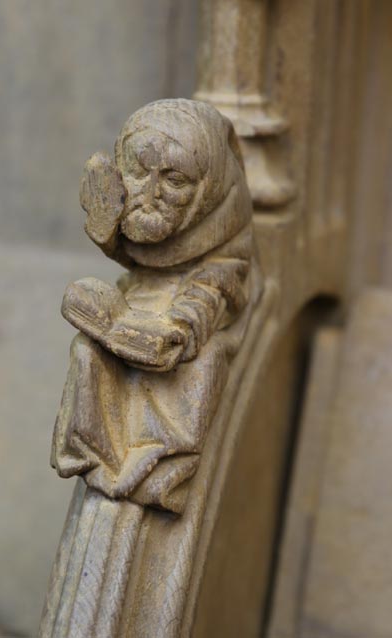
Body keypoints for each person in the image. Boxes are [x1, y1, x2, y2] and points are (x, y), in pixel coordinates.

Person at [51, 99, 263, 513]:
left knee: (200, 368)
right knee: (86, 351)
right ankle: (93, 457)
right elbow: (141, 255)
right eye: (137, 172)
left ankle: (161, 472)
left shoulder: (224, 233)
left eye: (174, 180)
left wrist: (177, 328)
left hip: (191, 320)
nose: (150, 194)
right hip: (140, 298)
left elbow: (214, 290)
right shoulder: (148, 212)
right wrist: (107, 232)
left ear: (208, 188)